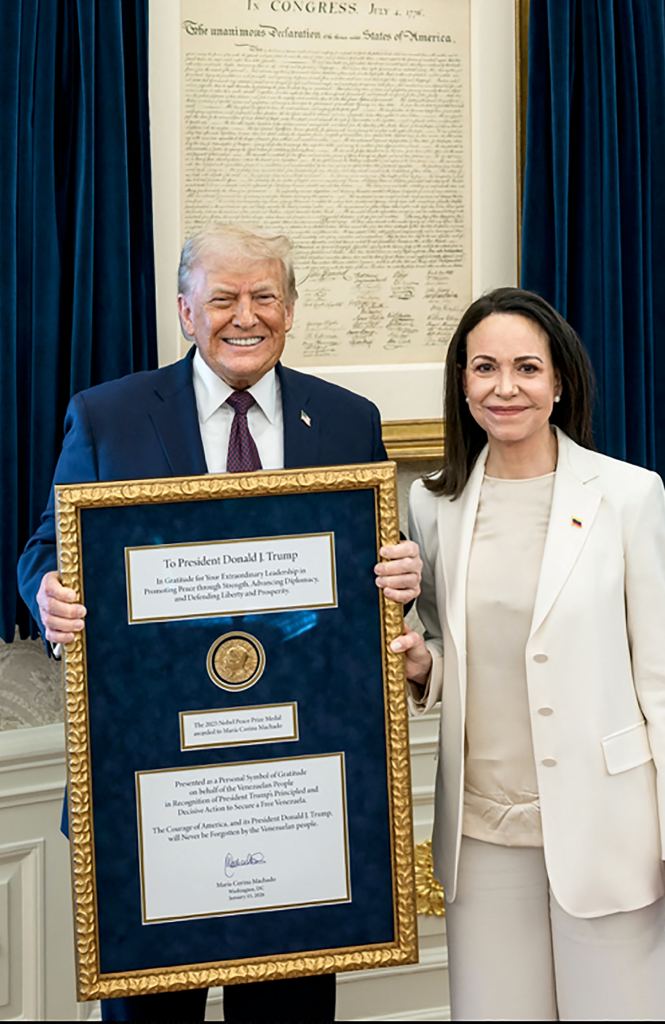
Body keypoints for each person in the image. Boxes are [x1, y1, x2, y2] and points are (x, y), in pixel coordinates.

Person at [17, 223, 421, 1023]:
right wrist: (48, 591)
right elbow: (45, 548)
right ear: (185, 311)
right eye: (225, 298)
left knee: (289, 1006)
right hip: (151, 772)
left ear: (291, 309)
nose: (247, 316)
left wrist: (401, 578)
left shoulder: (346, 419)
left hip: (300, 773)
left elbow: (364, 576)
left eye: (265, 297)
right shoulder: (109, 415)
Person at [391, 287, 665, 1021]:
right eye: (484, 369)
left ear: (560, 382)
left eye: (527, 368)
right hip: (481, 835)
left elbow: (663, 684)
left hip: (610, 831)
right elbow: (445, 641)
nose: (505, 388)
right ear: (462, 383)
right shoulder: (433, 506)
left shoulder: (628, 496)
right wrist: (422, 666)